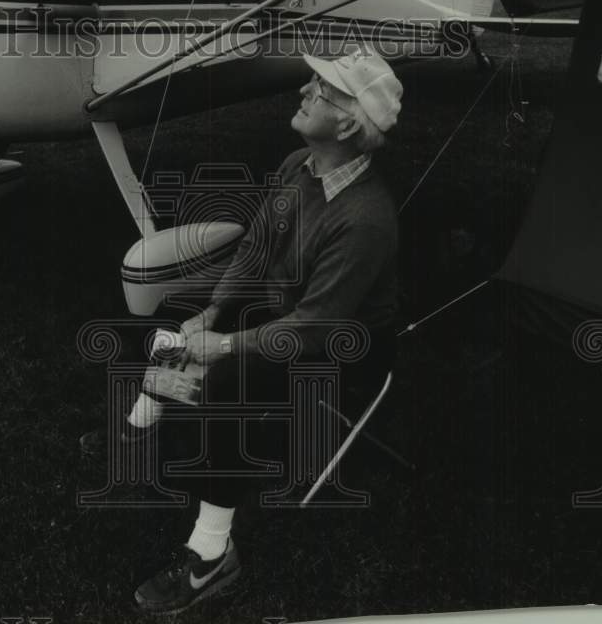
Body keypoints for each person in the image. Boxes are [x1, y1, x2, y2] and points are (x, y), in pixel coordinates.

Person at [128, 47, 404, 614]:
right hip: (288, 313)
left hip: (341, 348)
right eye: (311, 81)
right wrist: (213, 312)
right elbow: (255, 249)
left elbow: (318, 329)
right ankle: (143, 424)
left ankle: (211, 553)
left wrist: (224, 343)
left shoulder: (366, 219)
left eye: (322, 90)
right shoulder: (294, 166)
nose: (304, 91)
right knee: (173, 313)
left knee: (229, 382)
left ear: (349, 123)